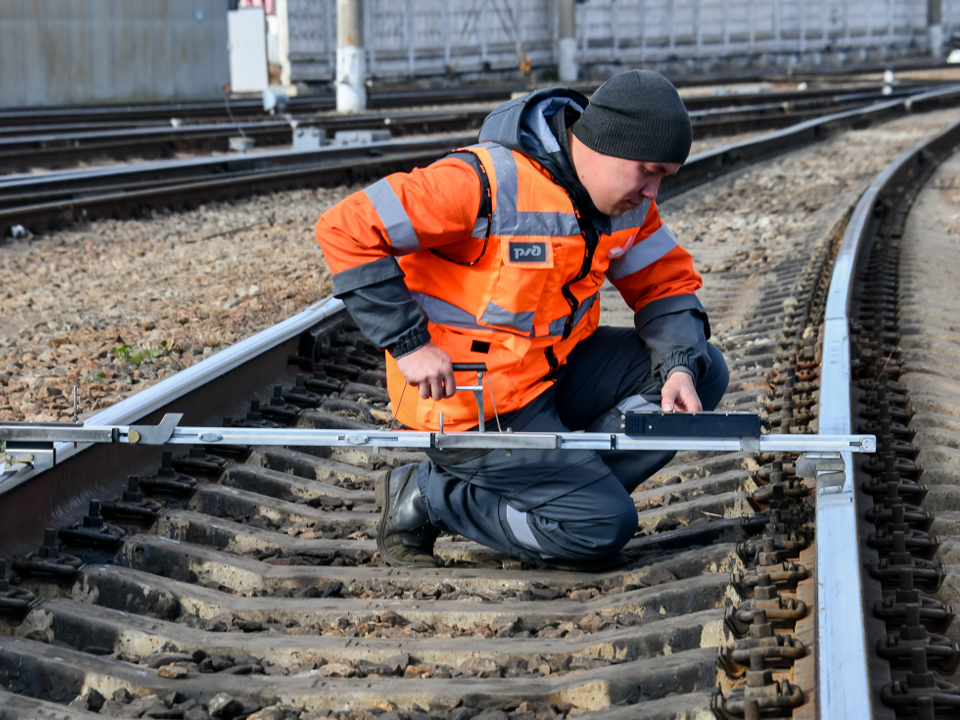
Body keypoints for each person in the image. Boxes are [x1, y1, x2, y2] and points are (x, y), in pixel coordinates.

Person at [315, 69, 728, 570]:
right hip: (472, 407)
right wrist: (409, 345)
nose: (652, 192)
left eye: (665, 176)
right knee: (600, 527)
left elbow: (666, 286)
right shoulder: (482, 182)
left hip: (547, 378)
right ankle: (430, 494)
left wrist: (679, 368)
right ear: (605, 145)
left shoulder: (627, 206)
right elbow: (346, 226)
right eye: (648, 170)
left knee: (701, 367)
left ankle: (567, 485)